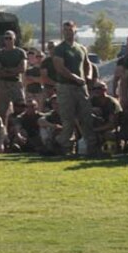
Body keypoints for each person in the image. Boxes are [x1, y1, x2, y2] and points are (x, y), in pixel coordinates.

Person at [51, 21, 99, 157]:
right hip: (66, 87)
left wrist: (88, 76)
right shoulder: (60, 49)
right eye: (65, 30)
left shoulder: (81, 48)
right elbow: (59, 68)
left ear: (75, 31)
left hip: (80, 87)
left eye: (70, 30)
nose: (68, 32)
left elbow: (87, 64)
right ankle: (64, 146)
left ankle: (92, 148)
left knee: (86, 117)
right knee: (68, 120)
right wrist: (75, 77)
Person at [0, 31, 27, 123]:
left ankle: (19, 129)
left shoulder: (20, 52)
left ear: (14, 39)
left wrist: (6, 70)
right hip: (3, 84)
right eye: (6, 38)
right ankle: (2, 132)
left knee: (20, 107)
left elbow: (22, 68)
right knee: (1, 111)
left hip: (16, 83)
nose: (8, 40)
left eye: (10, 38)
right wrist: (13, 70)